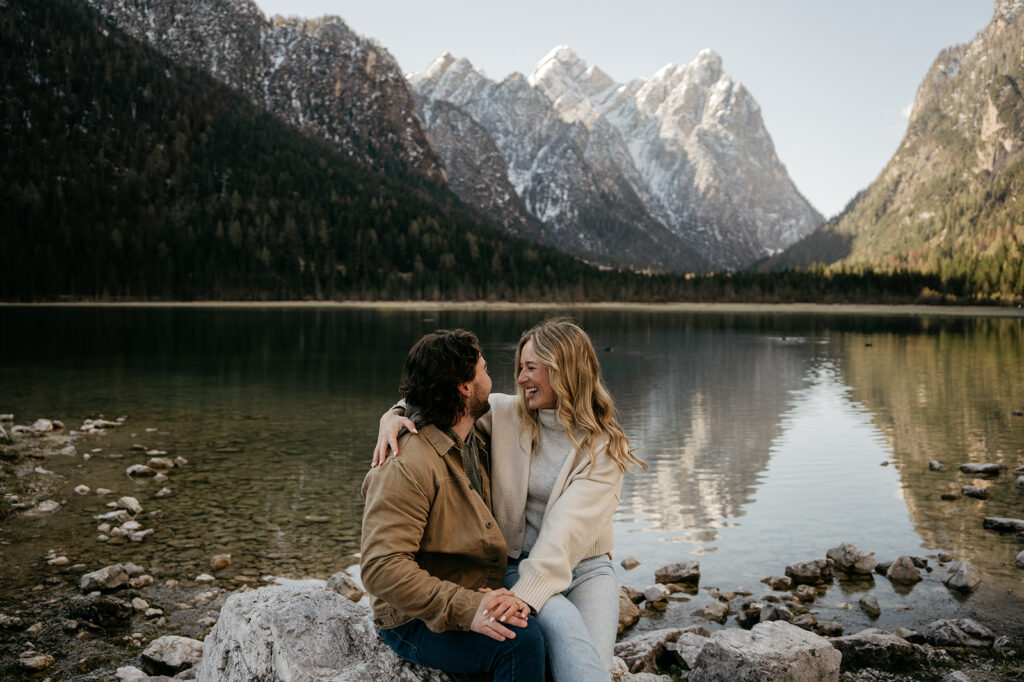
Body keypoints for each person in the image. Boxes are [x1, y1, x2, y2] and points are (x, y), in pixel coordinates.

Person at [374, 319, 645, 681]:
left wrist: (525, 597)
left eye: (531, 368)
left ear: (563, 371)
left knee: (588, 661)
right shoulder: (503, 414)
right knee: (563, 629)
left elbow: (566, 532)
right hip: (520, 563)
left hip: (585, 567)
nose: (519, 378)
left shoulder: (605, 447)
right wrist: (395, 415)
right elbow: (441, 395)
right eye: (520, 367)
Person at [360, 329, 546, 681]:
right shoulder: (405, 465)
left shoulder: (474, 436)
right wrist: (469, 609)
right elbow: (381, 568)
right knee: (520, 642)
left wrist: (589, 539)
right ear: (464, 387)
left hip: (471, 585)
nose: (492, 380)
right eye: (485, 371)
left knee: (540, 622)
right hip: (412, 619)